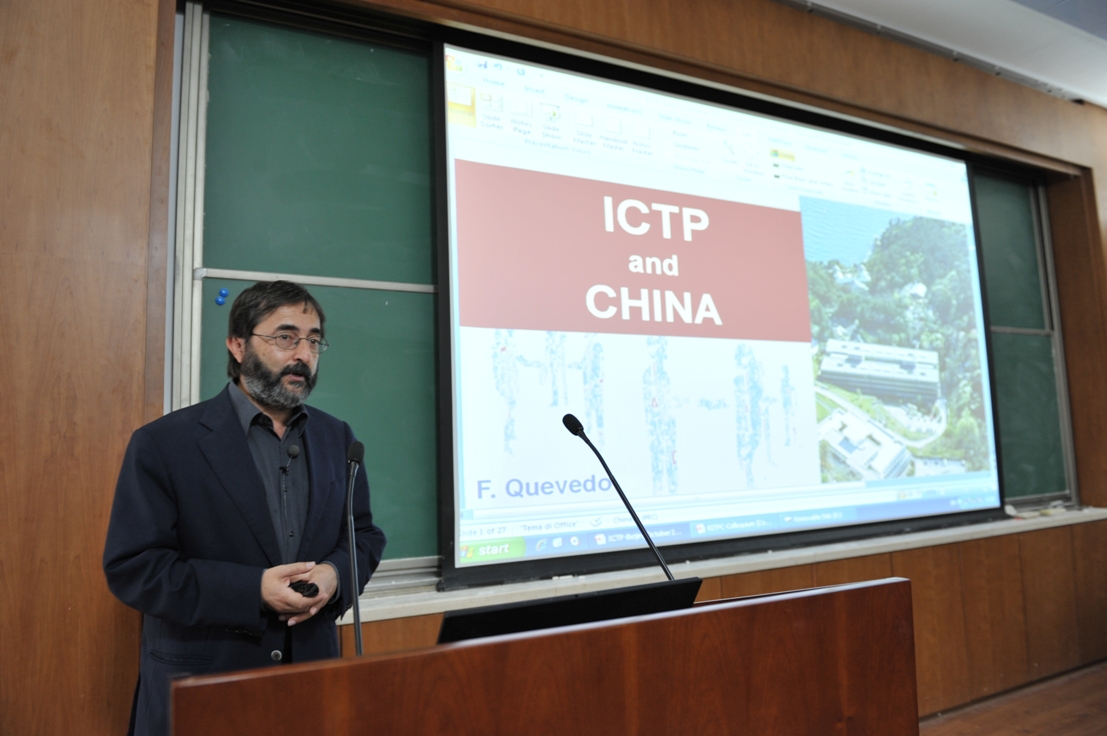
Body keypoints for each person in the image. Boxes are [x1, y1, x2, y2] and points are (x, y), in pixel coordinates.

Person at [104, 280, 386, 736]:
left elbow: (363, 535)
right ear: (238, 345)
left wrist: (335, 575)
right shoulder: (164, 443)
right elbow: (136, 568)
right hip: (206, 690)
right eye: (286, 337)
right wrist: (252, 590)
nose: (303, 354)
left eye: (314, 341)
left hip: (310, 684)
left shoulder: (337, 437)